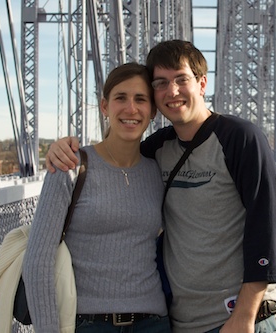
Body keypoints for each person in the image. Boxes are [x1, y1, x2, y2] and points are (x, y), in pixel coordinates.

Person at [46, 40, 276, 333]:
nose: (172, 91)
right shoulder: (158, 149)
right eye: (160, 83)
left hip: (237, 320)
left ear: (201, 84)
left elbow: (266, 227)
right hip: (181, 322)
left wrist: (245, 316)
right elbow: (114, 157)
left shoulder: (240, 138)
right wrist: (62, 149)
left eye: (181, 79)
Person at [22, 63, 171, 333]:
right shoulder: (70, 166)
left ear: (152, 111)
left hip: (153, 323)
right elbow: (37, 260)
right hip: (88, 323)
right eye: (120, 98)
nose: (131, 109)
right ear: (105, 106)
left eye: (141, 99)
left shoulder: (157, 171)